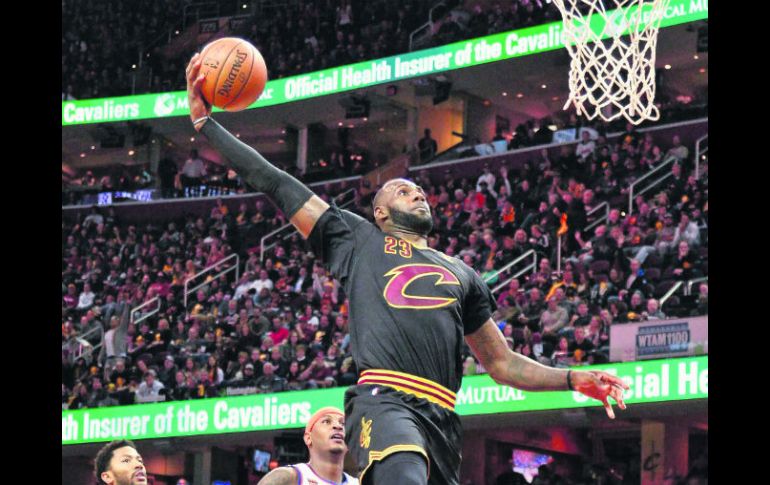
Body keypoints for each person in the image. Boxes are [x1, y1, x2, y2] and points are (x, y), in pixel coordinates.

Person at [186, 55, 628, 485]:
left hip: (442, 416)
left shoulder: (462, 273)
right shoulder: (358, 240)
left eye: (419, 192)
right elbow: (277, 183)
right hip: (385, 401)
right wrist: (207, 125)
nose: (418, 195)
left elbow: (503, 363)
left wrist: (572, 378)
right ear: (379, 212)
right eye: (402, 190)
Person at [257, 407, 358, 484]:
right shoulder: (289, 477)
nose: (338, 426)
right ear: (308, 438)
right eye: (326, 421)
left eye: (343, 424)